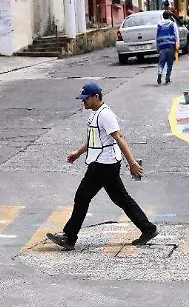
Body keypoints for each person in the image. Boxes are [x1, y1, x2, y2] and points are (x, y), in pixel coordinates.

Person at [47, 82, 155, 250]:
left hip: (103, 165)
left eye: (86, 99)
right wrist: (78, 153)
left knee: (82, 197)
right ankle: (148, 228)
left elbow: (119, 138)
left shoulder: (105, 115)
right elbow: (93, 140)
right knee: (122, 199)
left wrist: (132, 163)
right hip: (105, 164)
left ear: (96, 97)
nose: (83, 102)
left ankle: (69, 237)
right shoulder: (95, 114)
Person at [155, 11, 180, 85]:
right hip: (170, 45)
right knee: (170, 62)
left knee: (161, 62)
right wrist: (177, 46)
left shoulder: (159, 25)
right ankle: (167, 77)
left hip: (162, 46)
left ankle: (160, 72)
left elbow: (156, 36)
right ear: (169, 17)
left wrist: (157, 47)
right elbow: (176, 35)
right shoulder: (172, 24)